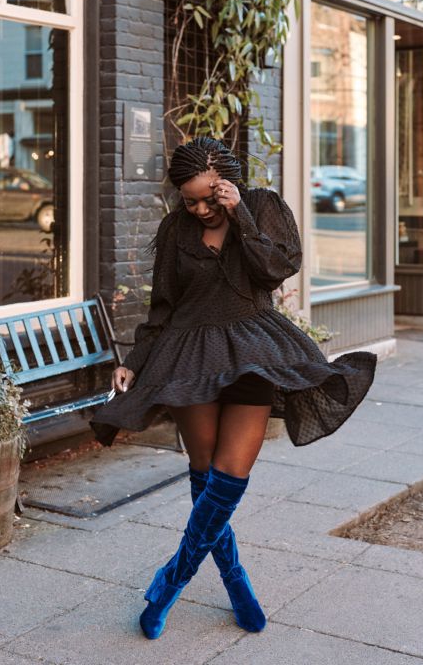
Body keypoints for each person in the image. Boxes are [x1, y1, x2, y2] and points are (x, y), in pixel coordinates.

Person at [91, 137, 376, 639]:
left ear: (227, 181)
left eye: (208, 197)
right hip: (188, 356)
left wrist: (239, 212)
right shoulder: (175, 229)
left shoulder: (261, 206)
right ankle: (236, 583)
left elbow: (276, 269)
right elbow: (163, 308)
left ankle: (171, 580)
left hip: (252, 353)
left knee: (228, 479)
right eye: (189, 200)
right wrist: (133, 363)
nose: (199, 208)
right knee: (205, 477)